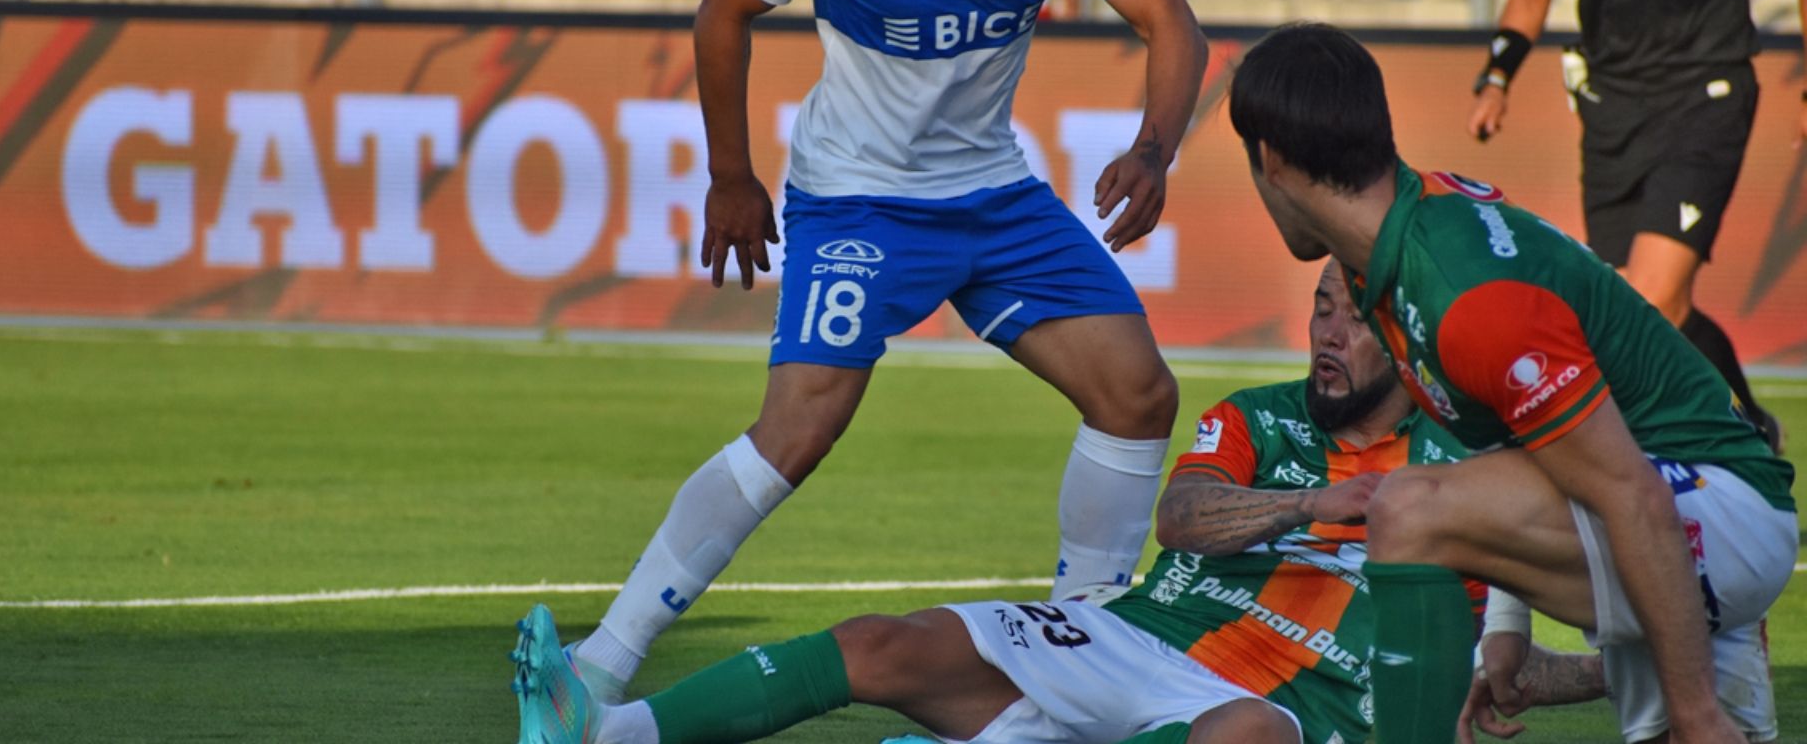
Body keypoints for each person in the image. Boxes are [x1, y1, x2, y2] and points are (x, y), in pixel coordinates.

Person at [559, 0, 1209, 704]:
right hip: (858, 201)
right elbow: (721, 14)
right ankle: (599, 666)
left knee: (1138, 395)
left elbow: (1173, 25)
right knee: (800, 429)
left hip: (995, 197)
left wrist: (1155, 147)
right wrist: (733, 177)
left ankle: (1084, 651)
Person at [513, 263, 1604, 744]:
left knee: (1240, 741)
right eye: (1319, 309)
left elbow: (1503, 667)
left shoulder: (1473, 470)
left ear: (1405, 335)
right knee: (884, 643)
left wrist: (1611, 672)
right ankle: (612, 731)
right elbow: (1182, 520)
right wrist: (1334, 500)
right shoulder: (1259, 418)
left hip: (1297, 713)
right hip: (1137, 639)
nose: (1327, 334)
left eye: (1353, 318)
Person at [1228, 21, 1796, 744]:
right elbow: (1516, 448)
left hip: (1709, 509)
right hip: (1680, 504)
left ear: (1270, 159)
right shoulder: (1411, 238)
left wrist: (1695, 714)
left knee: (1408, 510)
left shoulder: (1463, 297)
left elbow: (1630, 491)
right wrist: (1506, 628)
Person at [1466, 0, 1806, 455]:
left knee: (1651, 296)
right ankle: (1751, 427)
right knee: (1642, 303)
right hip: (1611, 111)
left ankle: (1691, 459)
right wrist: (1498, 75)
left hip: (1704, 99)